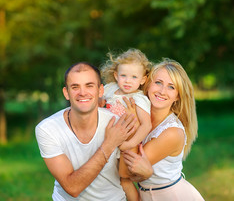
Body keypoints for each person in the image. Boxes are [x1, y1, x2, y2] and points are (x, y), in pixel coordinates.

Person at [35, 62, 137, 201]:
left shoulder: (118, 122)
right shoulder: (47, 129)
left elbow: (127, 177)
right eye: (75, 87)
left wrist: (146, 171)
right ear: (66, 93)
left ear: (100, 90)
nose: (82, 92)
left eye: (89, 85)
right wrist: (110, 144)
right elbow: (72, 187)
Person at [122, 58, 205, 201]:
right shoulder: (140, 113)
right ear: (148, 84)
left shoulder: (172, 133)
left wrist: (134, 124)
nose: (162, 91)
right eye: (158, 82)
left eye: (171, 87)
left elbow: (125, 171)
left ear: (177, 96)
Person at [100, 48, 152, 200]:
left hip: (127, 145)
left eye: (134, 77)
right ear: (116, 76)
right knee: (107, 177)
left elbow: (146, 125)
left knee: (124, 179)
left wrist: (130, 144)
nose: (128, 81)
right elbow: (97, 102)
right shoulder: (110, 89)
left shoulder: (139, 99)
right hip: (108, 141)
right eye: (123, 76)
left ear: (143, 79)